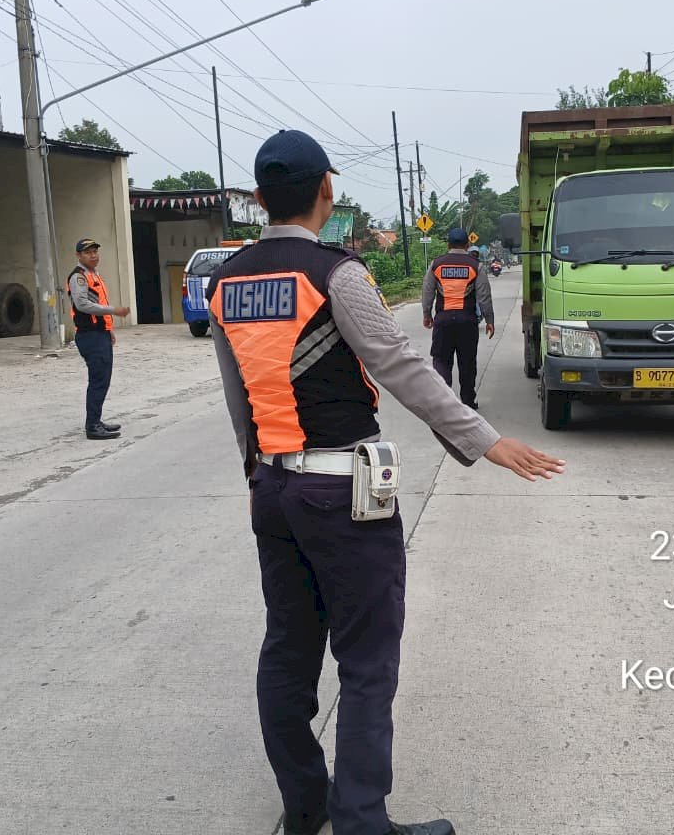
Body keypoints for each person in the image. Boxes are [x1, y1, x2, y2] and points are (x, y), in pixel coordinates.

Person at [208, 129, 564, 835]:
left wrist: (260, 471)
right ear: (327, 191)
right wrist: (484, 441)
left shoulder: (228, 280)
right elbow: (401, 365)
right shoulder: (336, 275)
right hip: (344, 495)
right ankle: (362, 821)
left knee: (288, 648)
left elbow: (237, 393)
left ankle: (306, 807)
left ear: (256, 200)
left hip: (273, 490)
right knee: (367, 662)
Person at [422, 229, 493, 410]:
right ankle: (468, 401)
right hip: (467, 320)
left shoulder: (436, 264)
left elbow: (428, 291)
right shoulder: (475, 265)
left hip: (443, 319)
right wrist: (490, 320)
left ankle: (444, 402)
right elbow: (484, 296)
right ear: (467, 245)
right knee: (467, 361)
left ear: (448, 245)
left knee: (441, 360)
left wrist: (426, 314)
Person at [67, 237, 130, 440]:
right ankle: (92, 426)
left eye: (95, 251)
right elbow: (83, 305)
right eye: (88, 252)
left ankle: (96, 420)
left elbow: (98, 302)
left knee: (103, 379)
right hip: (89, 335)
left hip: (99, 333)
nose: (93, 255)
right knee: (98, 380)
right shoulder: (79, 278)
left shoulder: (94, 275)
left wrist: (109, 328)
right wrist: (114, 311)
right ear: (79, 256)